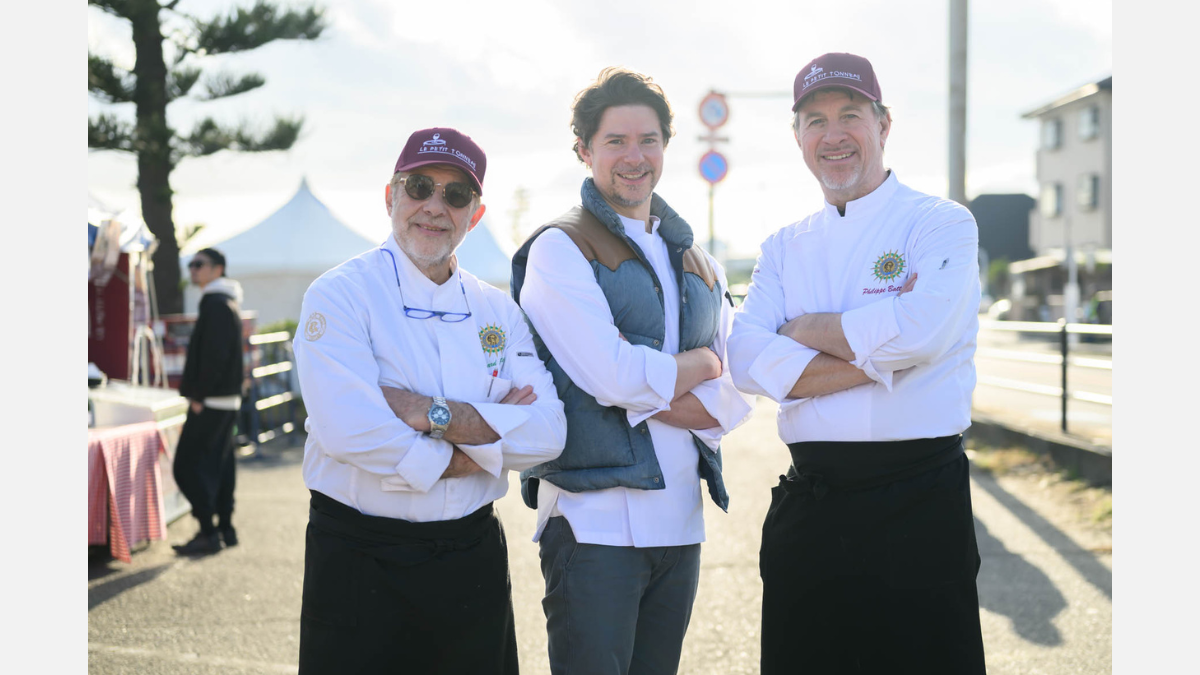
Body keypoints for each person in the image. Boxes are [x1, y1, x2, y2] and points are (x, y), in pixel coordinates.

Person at [726, 52, 987, 673]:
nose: (833, 134)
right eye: (815, 121)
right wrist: (881, 358)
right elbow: (744, 360)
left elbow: (921, 332)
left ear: (883, 124)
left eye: (850, 115)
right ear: (797, 136)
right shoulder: (783, 247)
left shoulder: (939, 222)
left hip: (920, 505)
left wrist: (802, 331)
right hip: (813, 508)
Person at [292, 127, 566, 674]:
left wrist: (425, 412)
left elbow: (548, 433)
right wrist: (480, 450)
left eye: (456, 194)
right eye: (419, 187)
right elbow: (349, 430)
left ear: (475, 215)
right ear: (390, 196)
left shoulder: (498, 311)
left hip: (471, 559)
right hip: (359, 557)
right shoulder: (340, 295)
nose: (435, 207)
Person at [511, 68, 753, 675]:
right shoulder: (560, 247)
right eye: (615, 141)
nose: (634, 157)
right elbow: (612, 377)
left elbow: (739, 386)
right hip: (592, 525)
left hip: (681, 524)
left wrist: (643, 385)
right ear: (584, 150)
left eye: (648, 140)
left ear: (666, 146)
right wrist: (699, 364)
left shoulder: (698, 258)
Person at [172, 247, 246, 556]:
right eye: (191, 265)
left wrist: (199, 395)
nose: (193, 270)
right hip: (225, 399)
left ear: (217, 269)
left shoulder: (216, 304)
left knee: (186, 467)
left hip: (212, 400)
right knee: (222, 465)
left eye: (199, 264)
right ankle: (225, 528)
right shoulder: (225, 301)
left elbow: (215, 355)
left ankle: (208, 531)